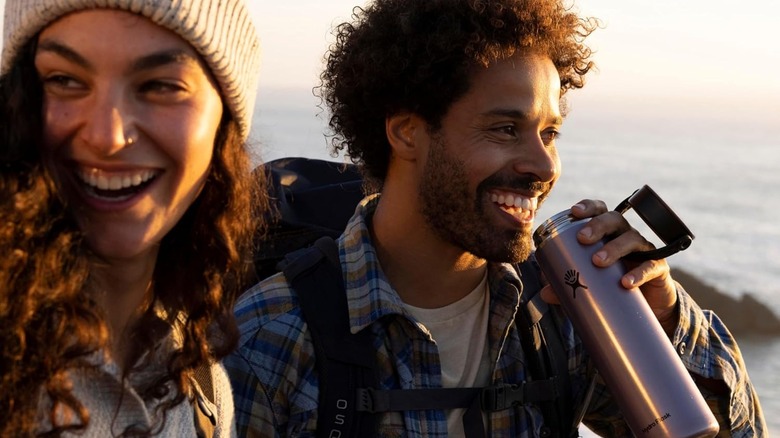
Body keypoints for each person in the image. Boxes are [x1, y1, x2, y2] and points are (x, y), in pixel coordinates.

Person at [225, 0, 766, 436]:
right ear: (406, 132)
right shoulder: (271, 336)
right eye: (506, 129)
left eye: (549, 133)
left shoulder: (564, 315)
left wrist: (668, 322)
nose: (542, 164)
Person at [0, 0, 264, 436]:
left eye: (161, 86)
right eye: (63, 80)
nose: (108, 136)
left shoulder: (202, 387)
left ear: (224, 127)